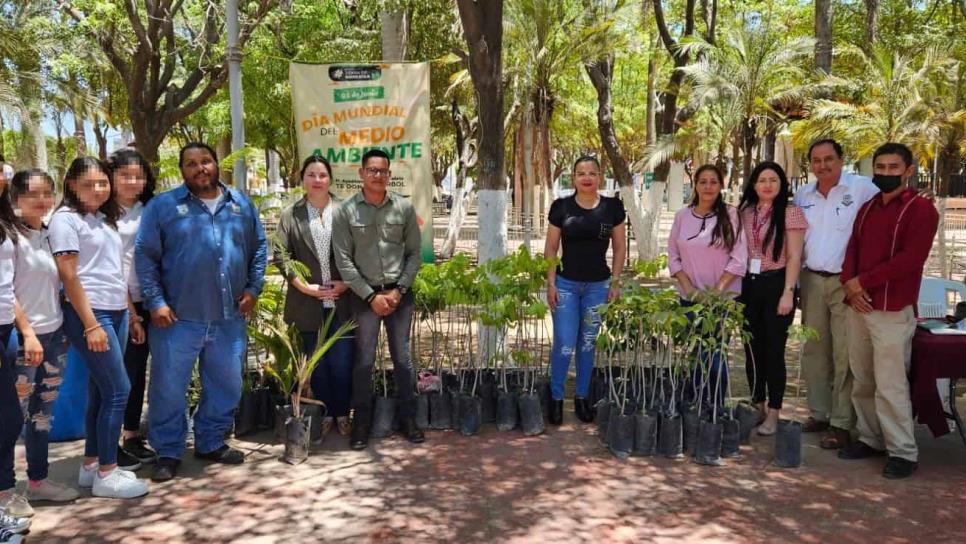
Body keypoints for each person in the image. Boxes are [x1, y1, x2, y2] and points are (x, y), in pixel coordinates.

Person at [136, 142, 267, 482]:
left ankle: (210, 441)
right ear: (182, 171)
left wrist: (253, 289)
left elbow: (259, 249)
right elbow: (145, 257)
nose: (200, 168)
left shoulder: (241, 204)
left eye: (205, 161)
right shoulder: (162, 207)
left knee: (226, 384)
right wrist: (156, 302)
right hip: (177, 319)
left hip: (229, 318)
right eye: (191, 164)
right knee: (168, 387)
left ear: (216, 163)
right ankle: (167, 450)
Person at [49, 157, 149, 499]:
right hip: (91, 314)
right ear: (71, 186)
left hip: (118, 311)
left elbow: (114, 270)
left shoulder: (103, 219)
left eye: (102, 183)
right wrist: (91, 324)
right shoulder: (65, 220)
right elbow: (69, 275)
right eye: (88, 184)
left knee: (101, 391)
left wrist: (132, 315)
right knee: (119, 390)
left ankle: (91, 466)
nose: (97, 190)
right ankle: (108, 473)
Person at [837, 142, 938, 479]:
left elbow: (910, 259)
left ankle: (902, 451)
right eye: (880, 167)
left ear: (908, 170)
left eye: (893, 168)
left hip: (892, 309)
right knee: (862, 377)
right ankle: (870, 437)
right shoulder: (867, 208)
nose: (885, 173)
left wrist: (861, 281)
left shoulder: (921, 210)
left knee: (891, 383)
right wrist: (850, 284)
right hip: (858, 306)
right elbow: (852, 246)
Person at [332, 148, 423, 450]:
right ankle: (362, 425)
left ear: (389, 174)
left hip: (399, 295)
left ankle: (408, 420)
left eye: (383, 171)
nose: (378, 175)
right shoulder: (345, 211)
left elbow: (414, 254)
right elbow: (344, 261)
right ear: (361, 173)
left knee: (403, 360)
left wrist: (399, 290)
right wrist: (371, 296)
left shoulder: (403, 208)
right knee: (364, 361)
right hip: (364, 297)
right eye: (372, 170)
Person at [793, 139, 880, 450]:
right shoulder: (803, 194)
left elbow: (888, 211)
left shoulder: (863, 188)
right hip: (812, 279)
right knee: (814, 349)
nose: (823, 165)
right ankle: (819, 412)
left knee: (845, 353)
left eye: (829, 159)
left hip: (846, 284)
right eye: (816, 160)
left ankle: (842, 423)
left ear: (842, 160)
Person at [10, 170, 80, 508]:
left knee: (42, 416)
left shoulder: (50, 235)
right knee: (11, 418)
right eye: (32, 195)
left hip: (55, 337)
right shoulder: (11, 238)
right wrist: (26, 333)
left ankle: (38, 481)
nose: (41, 201)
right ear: (16, 199)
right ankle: (6, 490)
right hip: (24, 341)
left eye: (46, 194)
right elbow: (5, 292)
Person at [276, 155, 355, 437]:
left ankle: (343, 413)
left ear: (330, 178)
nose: (317, 180)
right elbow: (281, 256)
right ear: (302, 179)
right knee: (317, 364)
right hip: (307, 302)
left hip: (343, 301)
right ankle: (323, 412)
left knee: (343, 361)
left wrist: (347, 283)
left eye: (322, 175)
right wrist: (303, 287)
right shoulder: (291, 215)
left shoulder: (347, 210)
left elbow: (362, 251)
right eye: (311, 174)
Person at [544, 156, 626, 424]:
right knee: (565, 344)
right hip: (566, 285)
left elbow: (620, 248)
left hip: (597, 287)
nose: (586, 177)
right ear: (573, 177)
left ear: (600, 176)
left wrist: (615, 282)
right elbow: (551, 248)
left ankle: (582, 398)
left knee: (588, 343)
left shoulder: (612, 208)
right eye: (581, 173)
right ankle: (556, 399)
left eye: (592, 172)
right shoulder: (561, 207)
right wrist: (551, 282)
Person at [668, 164, 747, 404]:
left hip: (721, 300)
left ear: (721, 185)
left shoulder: (732, 214)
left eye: (713, 182)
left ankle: (714, 408)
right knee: (694, 353)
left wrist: (716, 292)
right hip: (689, 299)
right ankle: (693, 405)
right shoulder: (682, 216)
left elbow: (739, 256)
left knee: (714, 356)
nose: (708, 186)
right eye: (703, 181)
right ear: (695, 185)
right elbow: (673, 255)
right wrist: (690, 290)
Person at [738, 162, 807, 435]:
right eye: (762, 180)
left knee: (774, 351)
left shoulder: (791, 213)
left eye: (773, 180)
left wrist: (788, 292)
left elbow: (794, 256)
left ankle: (775, 412)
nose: (767, 185)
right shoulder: (744, 212)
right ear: (754, 184)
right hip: (748, 286)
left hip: (778, 284)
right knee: (751, 349)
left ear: (781, 185)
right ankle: (758, 404)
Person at [111, 149, 157, 464]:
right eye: (125, 175)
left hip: (150, 297)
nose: (132, 181)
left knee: (138, 371)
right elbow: (109, 266)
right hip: (117, 302)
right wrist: (131, 313)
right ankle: (106, 442)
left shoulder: (151, 209)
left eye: (138, 176)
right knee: (117, 376)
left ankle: (131, 435)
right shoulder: (102, 213)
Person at [0, 165, 29, 519]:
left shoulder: (6, 219)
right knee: (9, 420)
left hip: (7, 326)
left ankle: (5, 493)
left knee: (6, 419)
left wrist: (27, 329)